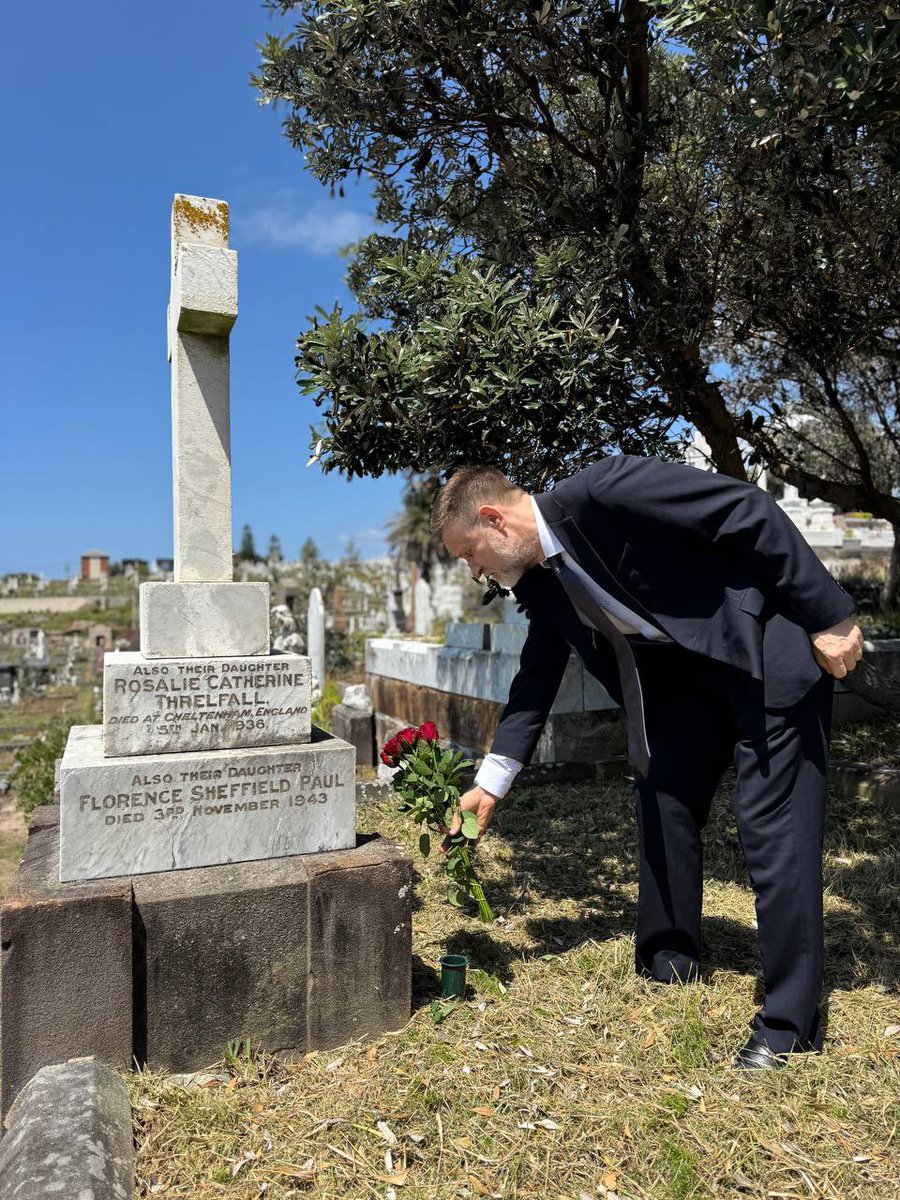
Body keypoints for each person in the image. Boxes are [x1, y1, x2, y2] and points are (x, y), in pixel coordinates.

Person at [432, 456, 864, 1072]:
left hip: (768, 646)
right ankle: (671, 956)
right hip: (690, 683)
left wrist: (829, 614)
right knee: (661, 790)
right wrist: (491, 782)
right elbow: (538, 672)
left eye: (469, 554)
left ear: (493, 519)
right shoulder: (539, 580)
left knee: (773, 827)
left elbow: (748, 509)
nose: (475, 571)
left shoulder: (602, 492)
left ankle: (791, 1021)